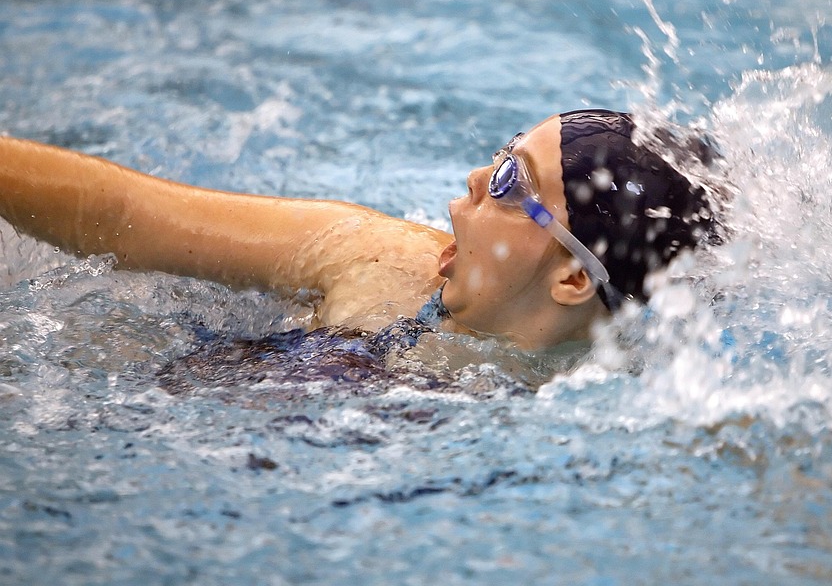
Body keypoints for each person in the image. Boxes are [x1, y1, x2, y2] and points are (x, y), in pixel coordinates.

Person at [0, 109, 720, 349]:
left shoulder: (592, 420)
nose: (477, 178)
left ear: (571, 277)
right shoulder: (373, 261)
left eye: (510, 183)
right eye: (499, 153)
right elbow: (129, 217)